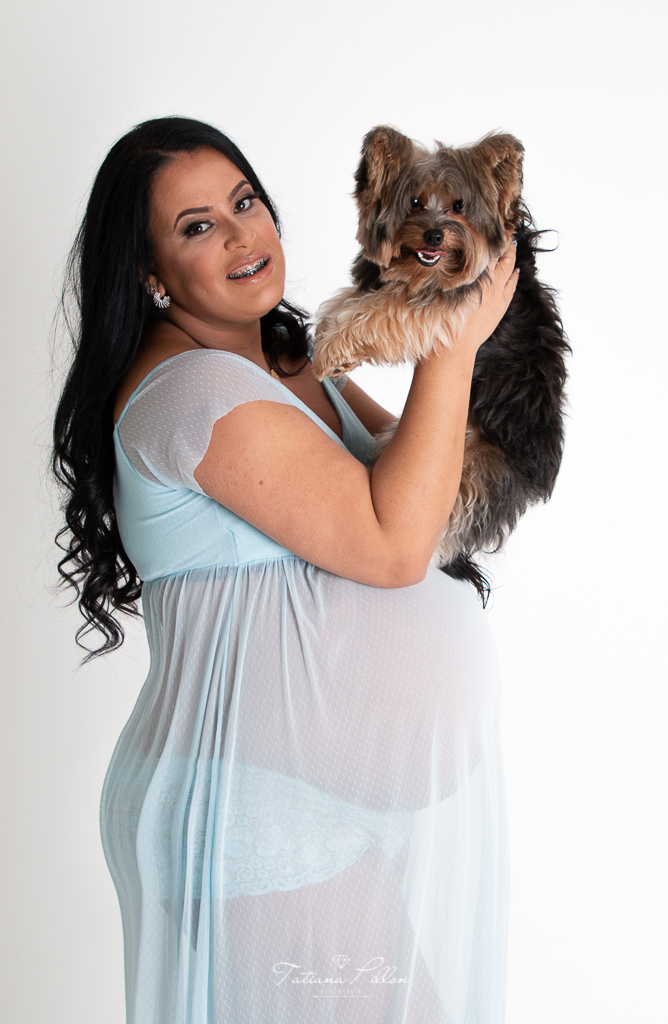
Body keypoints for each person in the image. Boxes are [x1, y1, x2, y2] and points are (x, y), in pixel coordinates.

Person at [52, 116, 519, 1024]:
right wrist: (451, 338)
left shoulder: (291, 364)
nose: (241, 235)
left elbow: (425, 482)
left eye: (245, 202)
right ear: (149, 273)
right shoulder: (194, 392)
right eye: (197, 226)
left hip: (307, 805)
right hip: (252, 814)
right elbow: (394, 542)